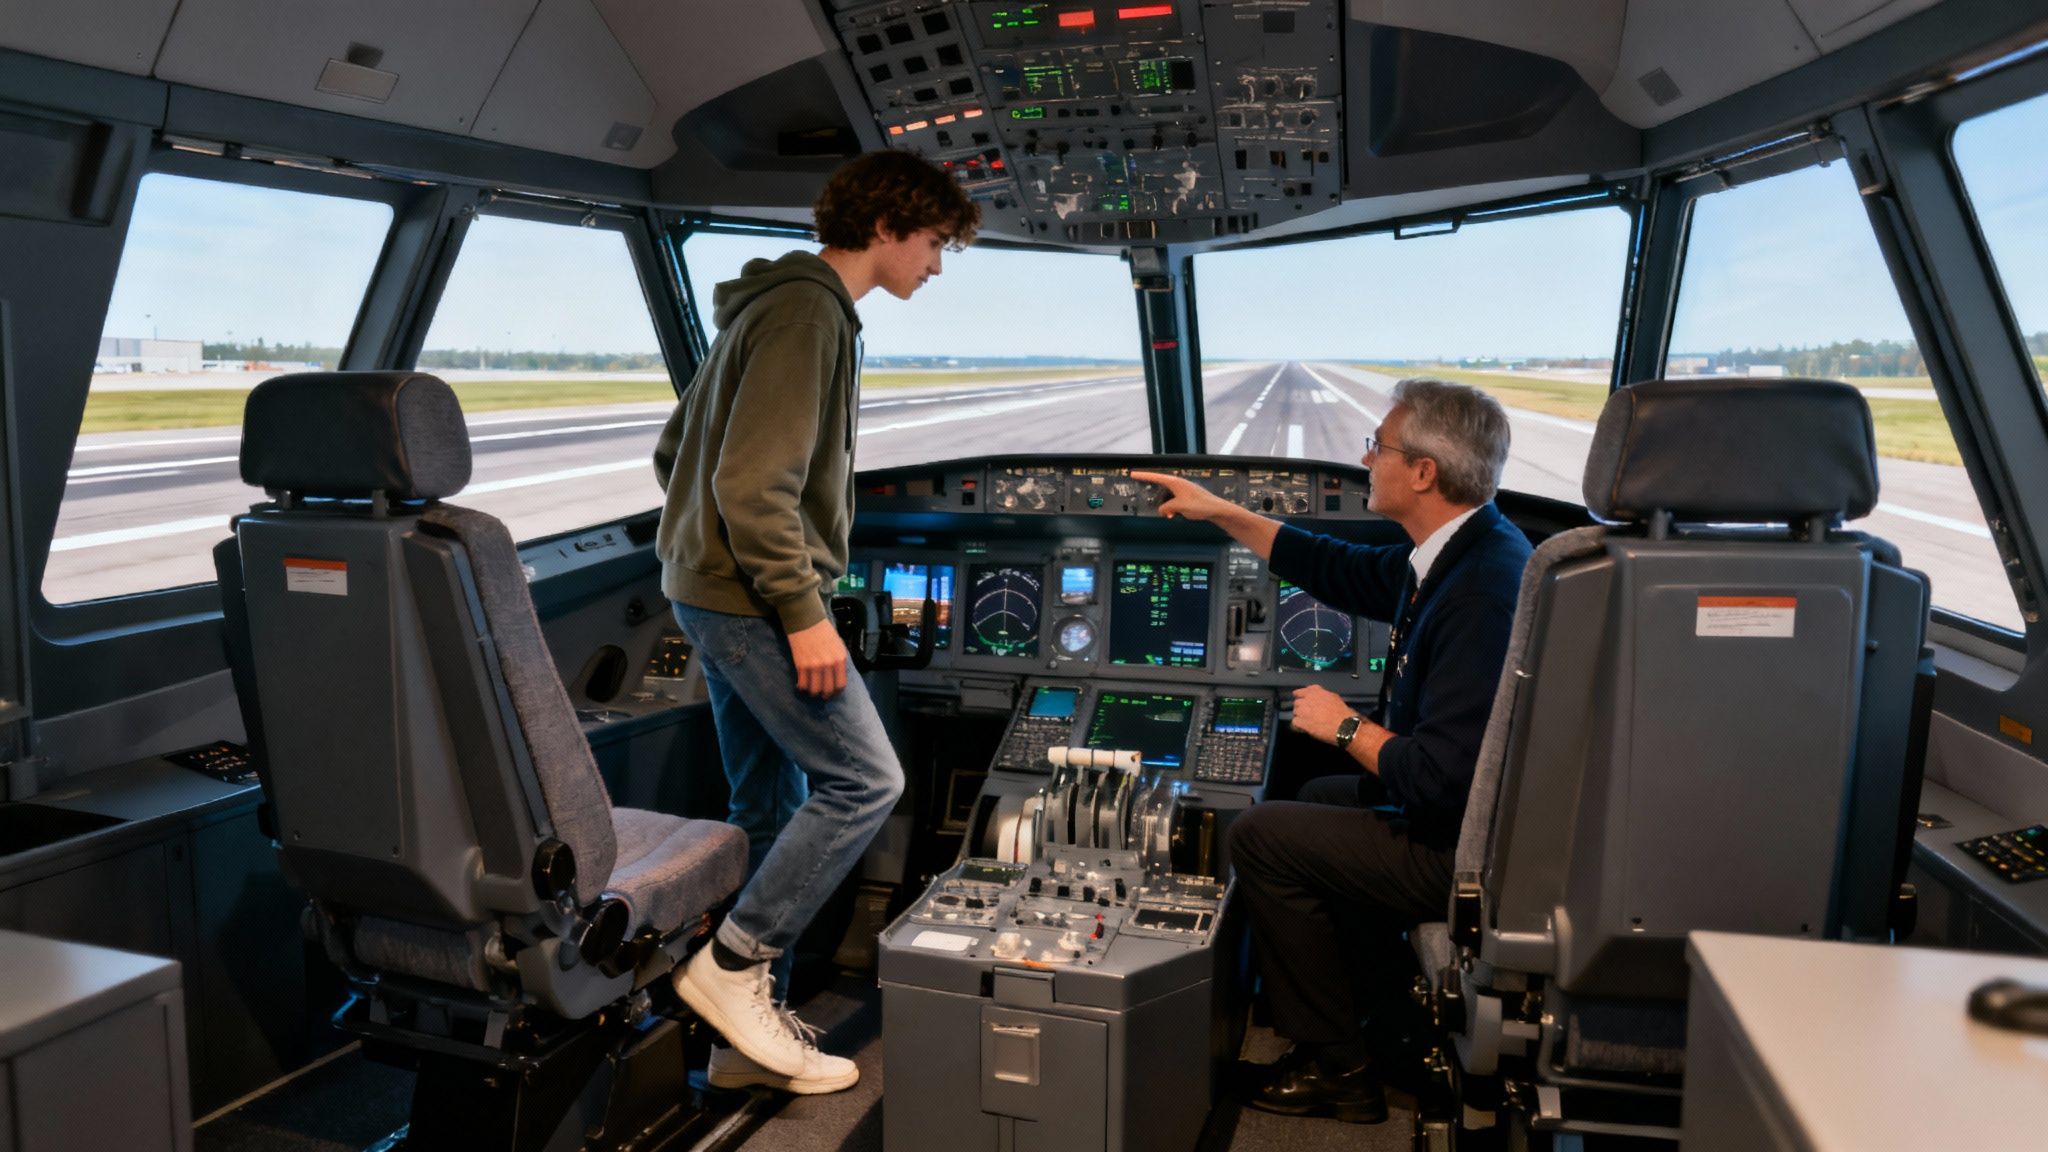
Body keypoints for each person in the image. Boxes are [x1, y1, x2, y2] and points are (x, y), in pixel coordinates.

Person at [653, 150, 978, 1094]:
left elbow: (677, 451)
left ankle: (741, 1046)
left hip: (708, 589)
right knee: (866, 781)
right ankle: (729, 969)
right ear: (885, 228)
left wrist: (709, 553)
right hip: (753, 602)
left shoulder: (773, 305)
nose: (936, 265)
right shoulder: (807, 314)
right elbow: (753, 484)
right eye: (933, 243)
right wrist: (803, 613)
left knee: (767, 807)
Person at [1132, 377, 1530, 1123]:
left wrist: (1345, 728)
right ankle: (1382, 1027)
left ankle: (1336, 1067)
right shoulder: (1460, 551)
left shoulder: (1481, 592)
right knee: (1316, 803)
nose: (1367, 456)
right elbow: (1336, 567)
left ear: (1423, 473)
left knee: (1263, 837)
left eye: (1378, 446)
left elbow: (1442, 781)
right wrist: (1220, 511)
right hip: (1468, 823)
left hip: (1468, 853)